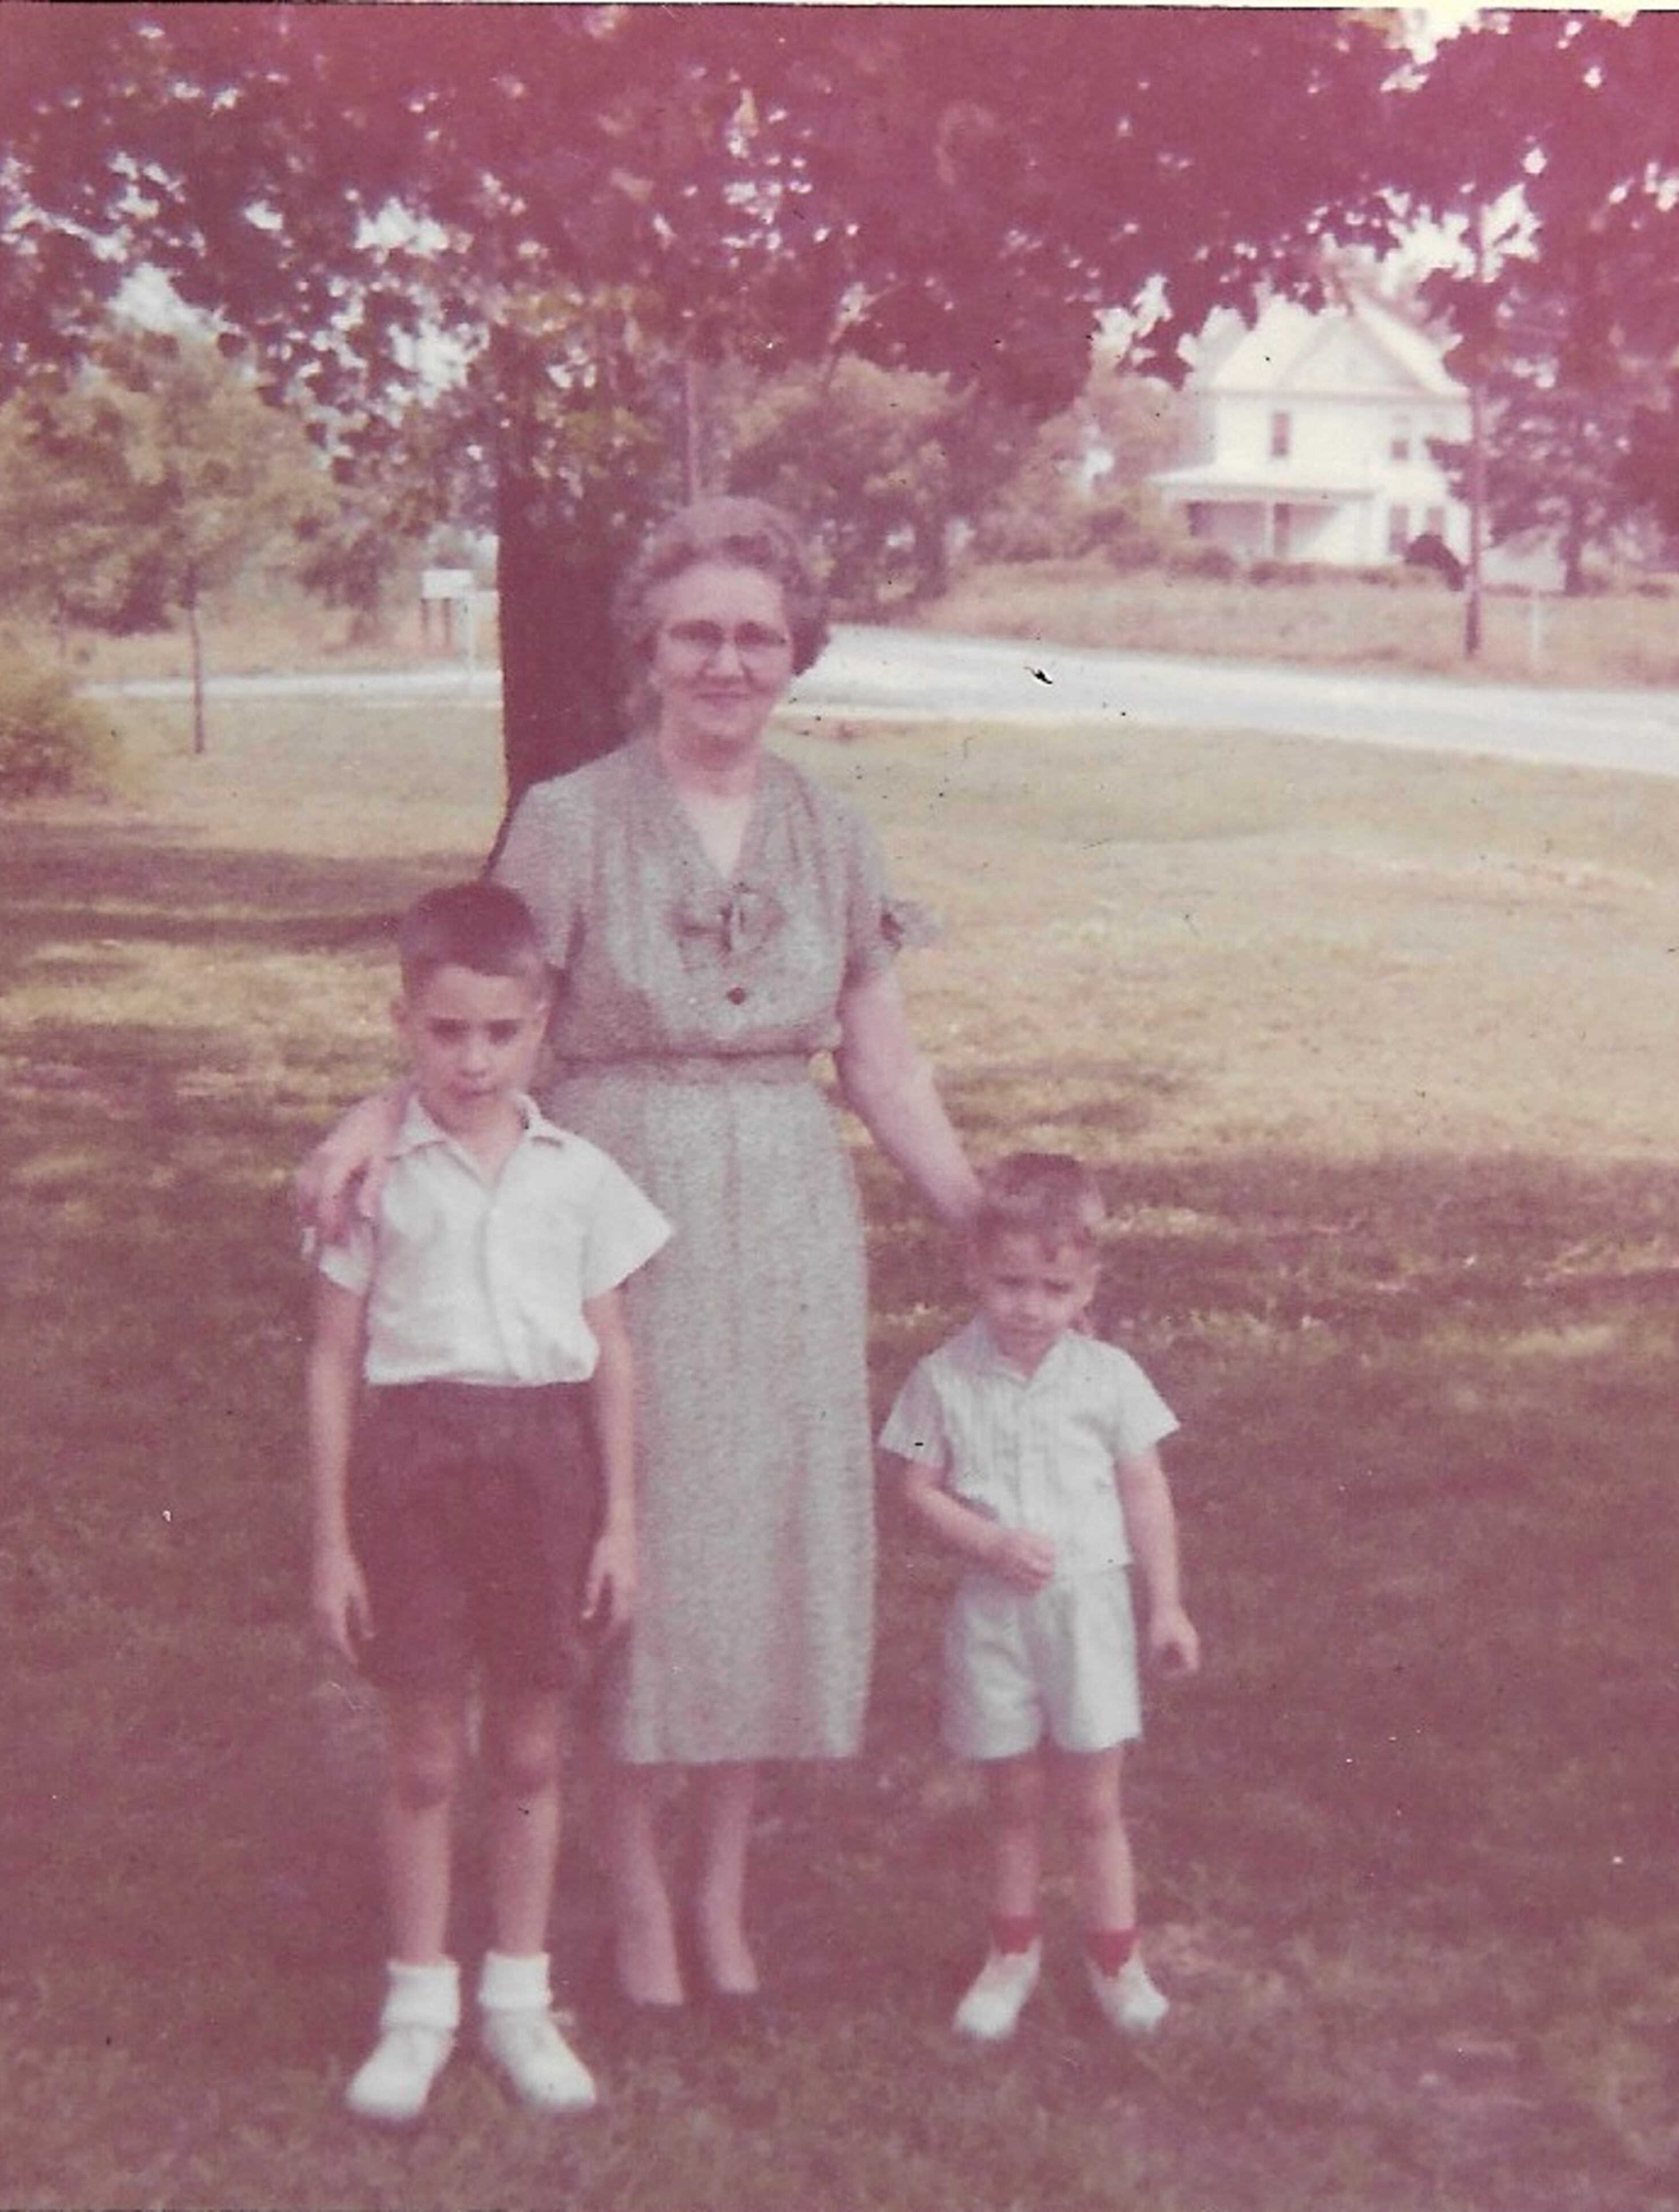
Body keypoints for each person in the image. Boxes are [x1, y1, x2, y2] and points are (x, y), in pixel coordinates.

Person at [298, 498, 983, 2019]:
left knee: (763, 1547)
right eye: (698, 633)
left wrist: (975, 1212)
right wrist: (371, 1116)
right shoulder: (570, 814)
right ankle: (631, 1896)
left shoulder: (831, 826)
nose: (727, 659)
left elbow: (882, 1062)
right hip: (618, 1197)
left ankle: (723, 1887)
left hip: (789, 1212)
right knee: (631, 1544)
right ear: (650, 650)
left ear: (797, 649)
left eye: (756, 632)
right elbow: (479, 1011)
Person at [306, 881, 671, 2123]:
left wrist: (620, 1518)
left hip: (543, 1472)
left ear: (540, 1024)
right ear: (403, 1020)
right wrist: (333, 1542)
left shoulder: (579, 1175)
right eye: (446, 1031)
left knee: (526, 1743)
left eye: (498, 1033)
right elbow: (329, 1359)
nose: (472, 1058)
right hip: (414, 1469)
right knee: (421, 1751)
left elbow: (613, 1353)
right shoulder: (371, 1176)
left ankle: (519, 1998)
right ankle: (417, 2003)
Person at [880, 1152, 1201, 2043]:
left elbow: (1145, 1489)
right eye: (1010, 1282)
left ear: (1088, 1282)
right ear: (974, 1270)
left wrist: (1166, 1605)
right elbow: (916, 1487)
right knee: (1013, 1796)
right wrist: (986, 1540)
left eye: (1056, 1287)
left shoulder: (1109, 1378)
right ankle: (1011, 1952)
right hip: (994, 1618)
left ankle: (1115, 1959)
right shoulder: (944, 1376)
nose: (1031, 1306)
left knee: (1095, 1802)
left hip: (1089, 1612)